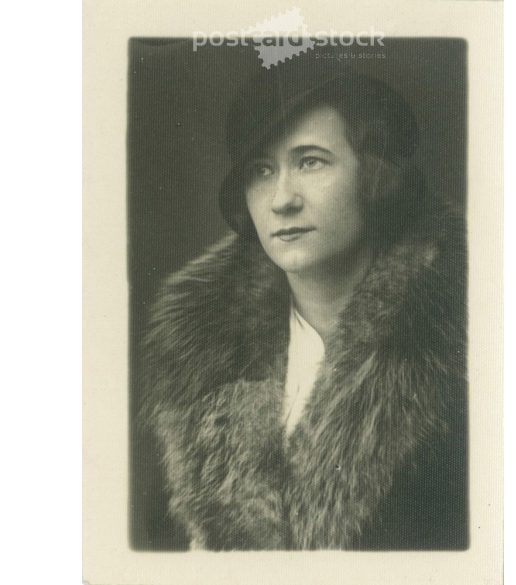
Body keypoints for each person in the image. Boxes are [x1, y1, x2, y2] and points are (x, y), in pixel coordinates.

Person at [141, 56, 468, 550]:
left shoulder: (463, 345)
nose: (281, 199)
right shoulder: (195, 357)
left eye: (310, 161)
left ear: (374, 176)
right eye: (261, 170)